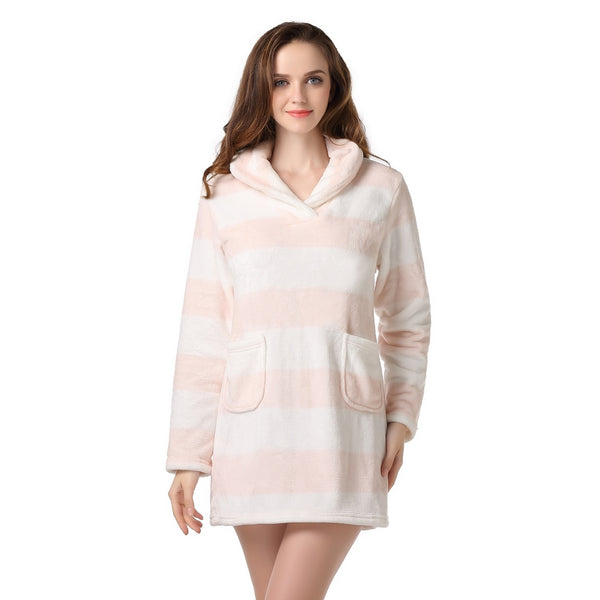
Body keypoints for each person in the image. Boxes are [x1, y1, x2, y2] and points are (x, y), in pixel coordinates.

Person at [166, 21, 431, 600]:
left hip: (341, 436)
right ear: (260, 90)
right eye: (281, 81)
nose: (297, 96)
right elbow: (205, 329)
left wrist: (401, 419)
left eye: (313, 79)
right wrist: (188, 456)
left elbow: (407, 317)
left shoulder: (381, 188)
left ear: (334, 85)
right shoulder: (224, 195)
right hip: (251, 437)